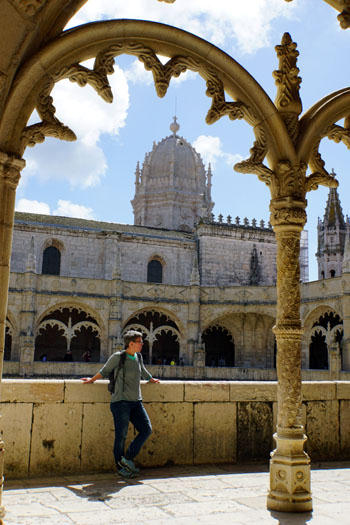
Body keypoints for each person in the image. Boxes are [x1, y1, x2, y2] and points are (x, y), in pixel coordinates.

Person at [81, 330, 159, 479]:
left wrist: (151, 379)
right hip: (120, 402)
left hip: (136, 401)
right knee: (121, 436)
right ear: (131, 343)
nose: (142, 344)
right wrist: (91, 380)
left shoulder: (138, 357)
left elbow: (143, 371)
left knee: (146, 429)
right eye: (140, 342)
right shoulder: (118, 357)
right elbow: (104, 371)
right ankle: (120, 467)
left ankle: (127, 459)